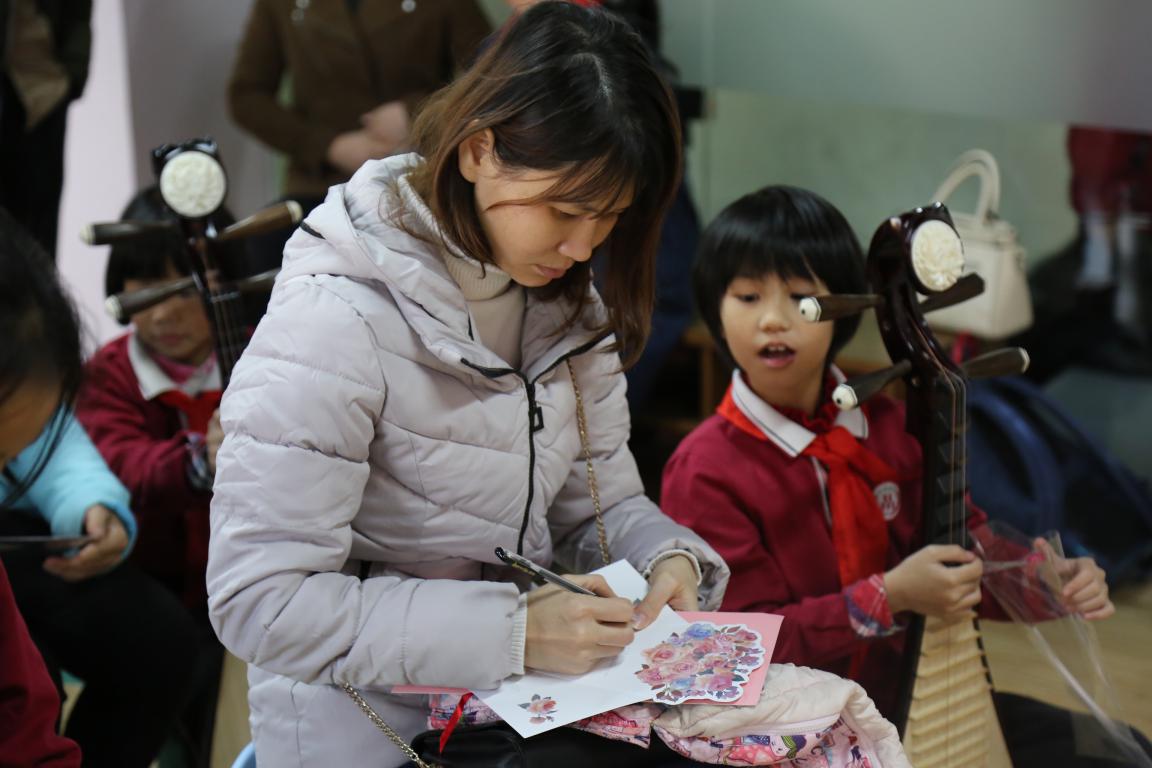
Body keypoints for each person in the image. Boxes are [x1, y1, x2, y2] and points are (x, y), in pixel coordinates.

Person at [206, 4, 729, 766]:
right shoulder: (337, 317)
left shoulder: (562, 303)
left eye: (609, 217)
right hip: (368, 731)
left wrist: (665, 560)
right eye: (564, 208)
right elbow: (262, 602)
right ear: (479, 150)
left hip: (516, 709)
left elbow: (599, 501)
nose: (584, 245)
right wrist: (510, 629)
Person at [660, 185, 1116, 723]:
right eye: (748, 297)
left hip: (914, 703)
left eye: (801, 298)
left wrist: (1043, 582)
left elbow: (961, 556)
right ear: (714, 309)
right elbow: (741, 647)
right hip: (789, 726)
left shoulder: (895, 428)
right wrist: (889, 595)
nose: (772, 321)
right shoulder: (705, 469)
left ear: (847, 308)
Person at [0, 209, 200, 767]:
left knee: (158, 641)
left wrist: (94, 506)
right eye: (147, 289)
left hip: (29, 543)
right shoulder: (114, 371)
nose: (166, 311)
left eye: (183, 289)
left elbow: (54, 444)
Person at [227, 0, 492, 314]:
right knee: (263, 262)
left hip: (423, 177)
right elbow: (246, 96)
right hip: (321, 186)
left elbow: (490, 74)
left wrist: (416, 113)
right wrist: (329, 146)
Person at [0, 0, 93, 260]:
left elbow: (77, 14)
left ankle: (37, 301)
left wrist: (74, 73)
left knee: (39, 232)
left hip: (46, 91)